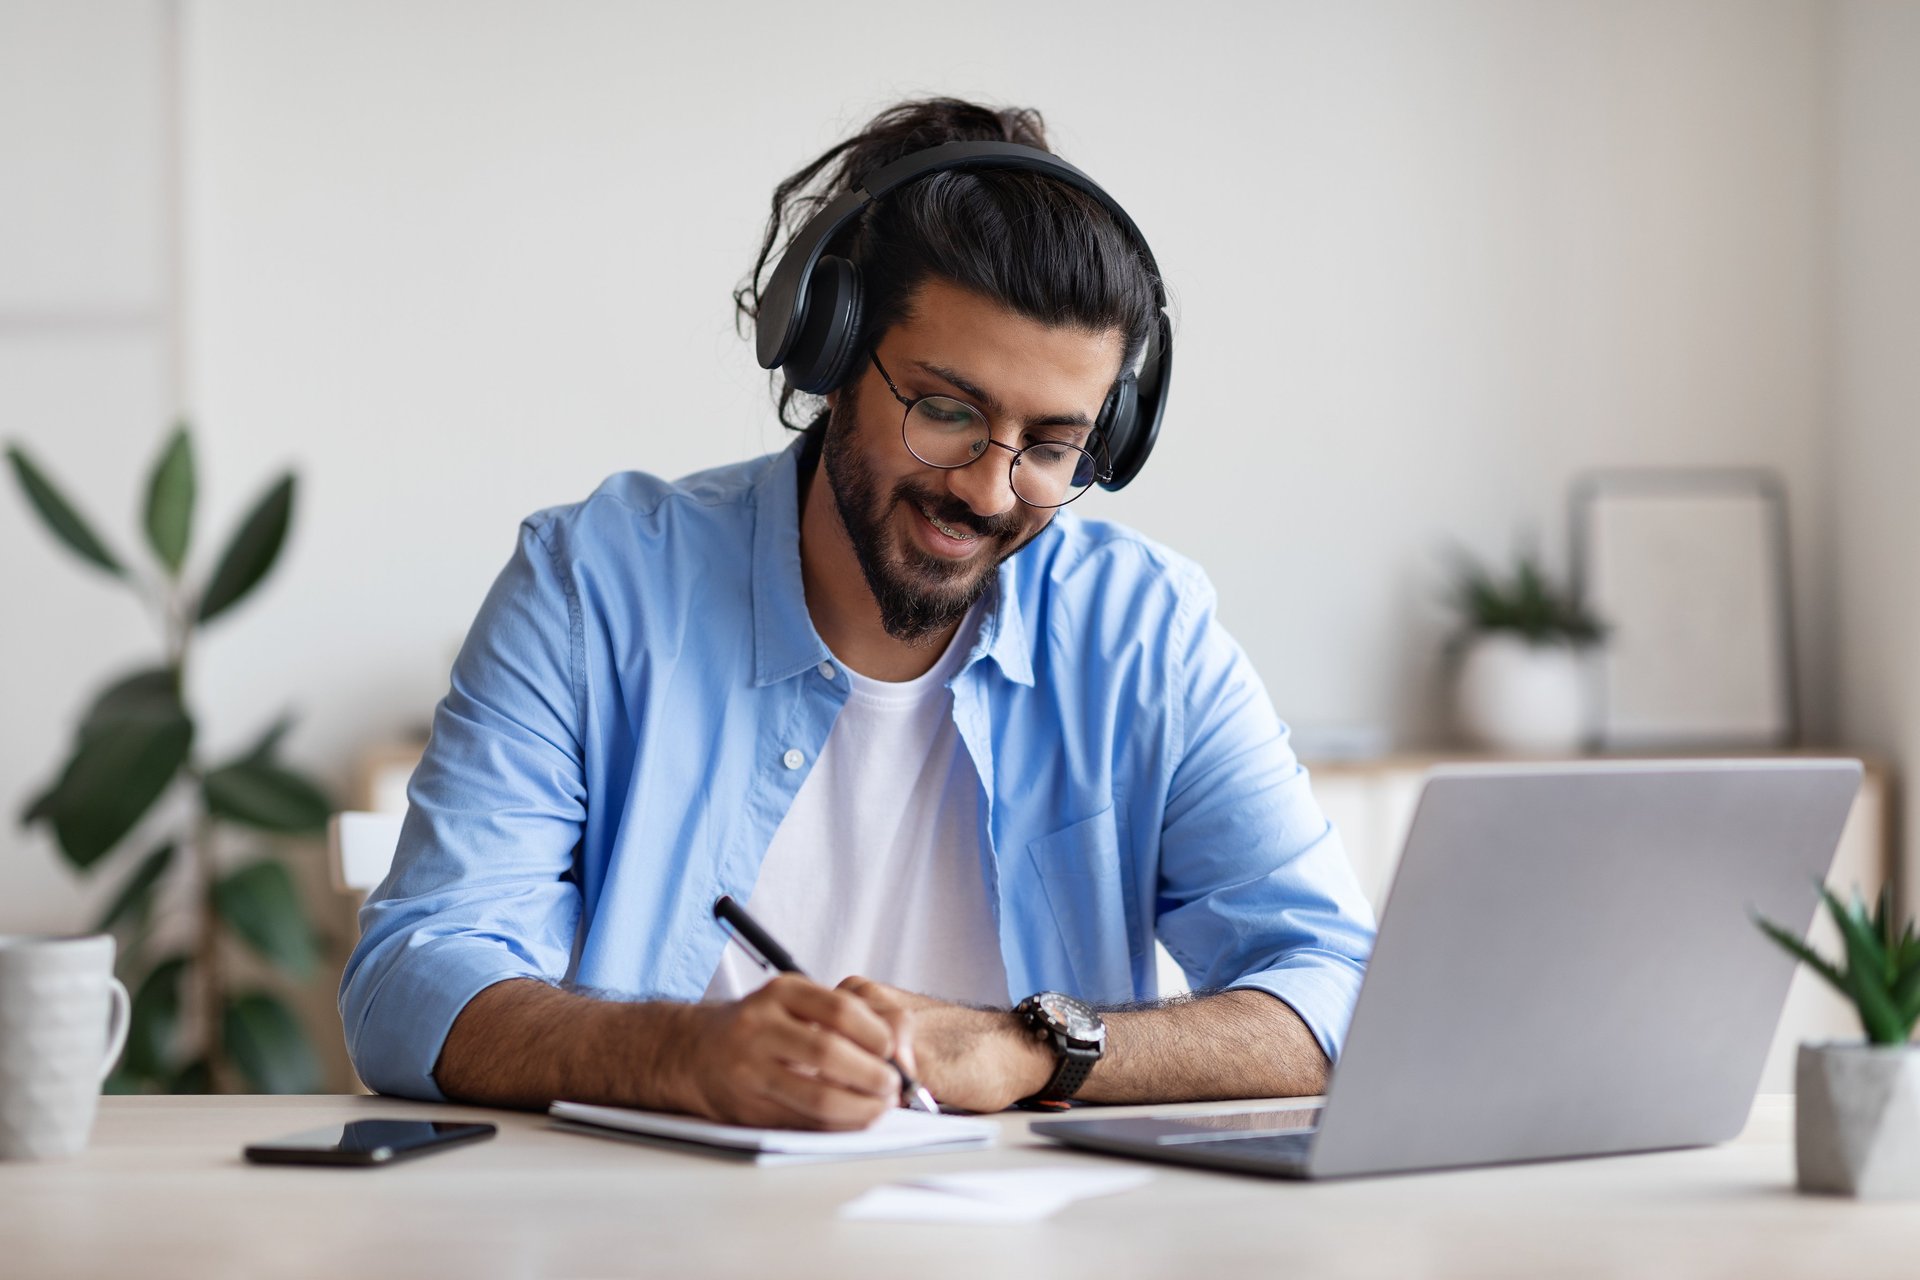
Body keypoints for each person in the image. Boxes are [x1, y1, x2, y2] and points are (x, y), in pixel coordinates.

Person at [340, 98, 1375, 1131]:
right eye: (948, 411)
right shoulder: (592, 588)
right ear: (827, 357)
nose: (989, 487)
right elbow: (411, 981)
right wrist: (684, 1054)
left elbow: (1336, 985)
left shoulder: (1146, 632)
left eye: (1053, 446)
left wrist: (1024, 1045)